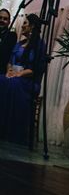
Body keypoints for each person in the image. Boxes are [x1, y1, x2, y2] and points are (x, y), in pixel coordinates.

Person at [0, 14, 46, 145]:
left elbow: (36, 69)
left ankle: (12, 129)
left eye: (25, 23)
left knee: (13, 84)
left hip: (28, 80)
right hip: (14, 75)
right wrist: (9, 70)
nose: (23, 26)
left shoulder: (39, 45)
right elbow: (10, 61)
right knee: (1, 80)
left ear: (32, 26)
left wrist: (19, 74)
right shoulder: (19, 43)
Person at [0, 8, 17, 76]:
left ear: (9, 22)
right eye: (0, 17)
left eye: (5, 19)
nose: (2, 20)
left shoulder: (11, 36)